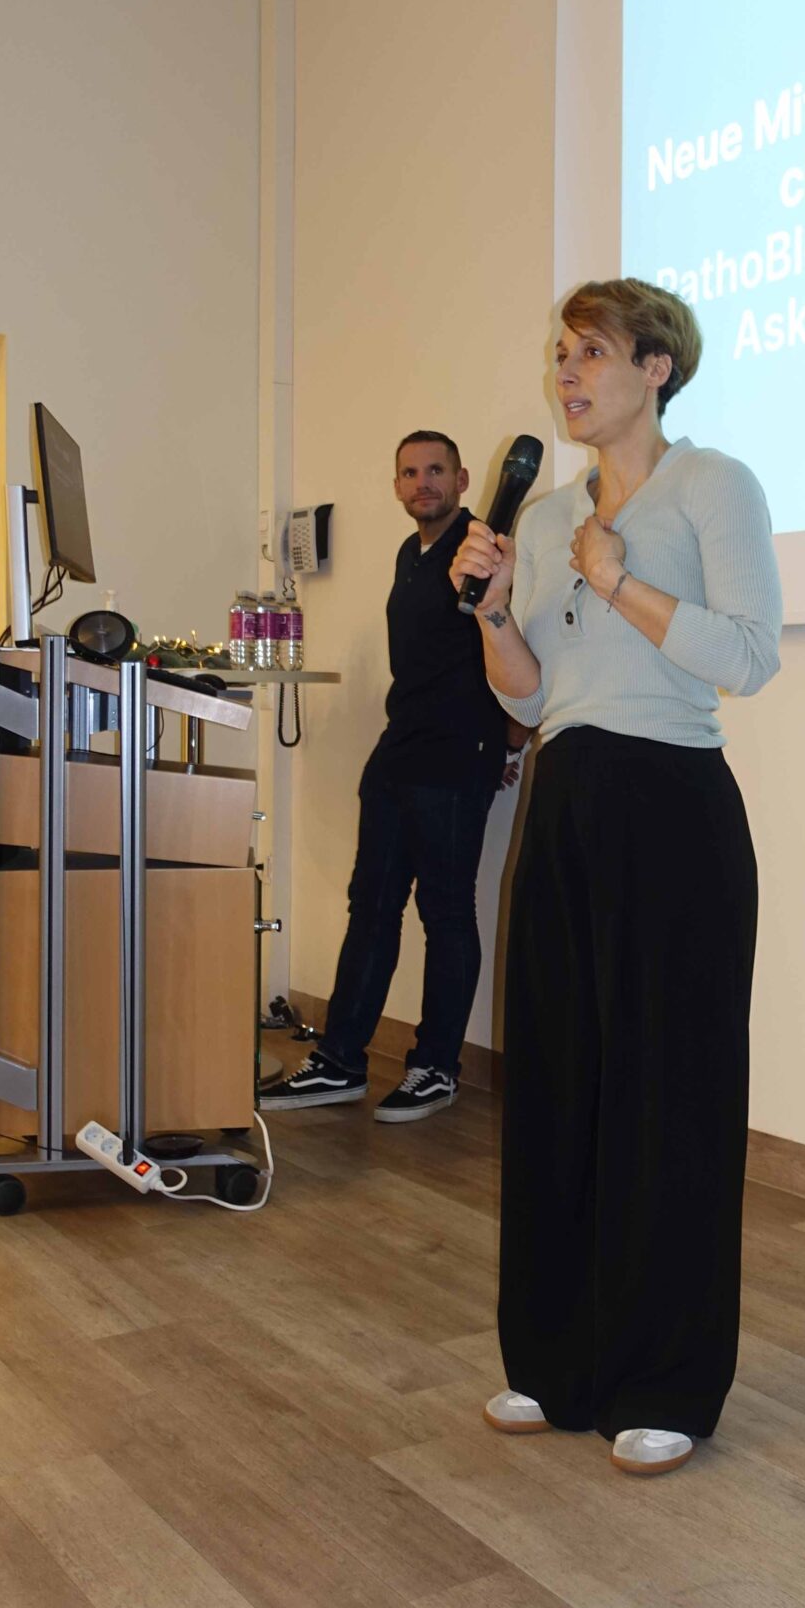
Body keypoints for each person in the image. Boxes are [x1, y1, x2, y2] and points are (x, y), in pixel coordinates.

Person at [451, 280, 782, 1476]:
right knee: (558, 1086)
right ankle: (557, 1362)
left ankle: (665, 1380)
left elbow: (750, 656)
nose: (567, 373)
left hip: (673, 806)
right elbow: (533, 691)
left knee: (668, 1096)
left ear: (656, 367)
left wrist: (618, 578)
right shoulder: (545, 519)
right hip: (567, 799)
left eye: (591, 351)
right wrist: (496, 613)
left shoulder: (713, 487)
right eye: (561, 353)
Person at [268, 431, 519, 1124]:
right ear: (396, 486)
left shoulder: (483, 550)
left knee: (446, 911)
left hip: (456, 756)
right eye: (409, 473)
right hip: (399, 752)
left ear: (461, 479)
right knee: (371, 906)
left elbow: (520, 644)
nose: (421, 483)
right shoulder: (412, 553)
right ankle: (340, 1061)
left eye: (435, 470)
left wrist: (511, 744)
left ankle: (435, 1068)